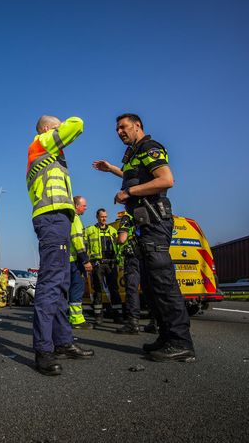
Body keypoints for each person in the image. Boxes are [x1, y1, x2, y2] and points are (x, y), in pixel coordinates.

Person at [93, 113, 195, 362]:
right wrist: (113, 170)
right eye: (116, 129)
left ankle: (181, 342)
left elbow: (165, 180)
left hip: (155, 221)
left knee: (163, 282)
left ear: (137, 126)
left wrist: (129, 191)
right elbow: (136, 175)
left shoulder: (150, 147)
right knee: (150, 285)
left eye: (123, 127)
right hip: (143, 225)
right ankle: (165, 336)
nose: (119, 132)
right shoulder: (132, 153)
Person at [27, 115, 94, 376]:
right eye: (55, 128)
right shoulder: (41, 143)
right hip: (51, 218)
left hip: (60, 219)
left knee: (62, 286)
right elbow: (76, 124)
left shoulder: (52, 155)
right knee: (50, 284)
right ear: (46, 129)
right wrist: (63, 124)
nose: (60, 132)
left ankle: (63, 342)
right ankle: (43, 350)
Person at [85, 208, 123, 326]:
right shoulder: (90, 230)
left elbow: (119, 246)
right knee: (98, 290)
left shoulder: (112, 230)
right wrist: (87, 261)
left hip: (111, 264)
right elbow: (84, 247)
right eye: (102, 216)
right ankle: (98, 316)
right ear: (97, 217)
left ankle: (118, 315)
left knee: (114, 290)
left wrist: (119, 262)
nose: (104, 219)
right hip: (98, 264)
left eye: (105, 216)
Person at [68, 196, 93, 329]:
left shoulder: (69, 217)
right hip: (75, 261)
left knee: (70, 289)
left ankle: (72, 318)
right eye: (84, 205)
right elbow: (77, 241)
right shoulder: (75, 219)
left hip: (69, 260)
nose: (86, 207)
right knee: (77, 289)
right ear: (77, 205)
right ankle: (77, 320)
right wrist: (85, 260)